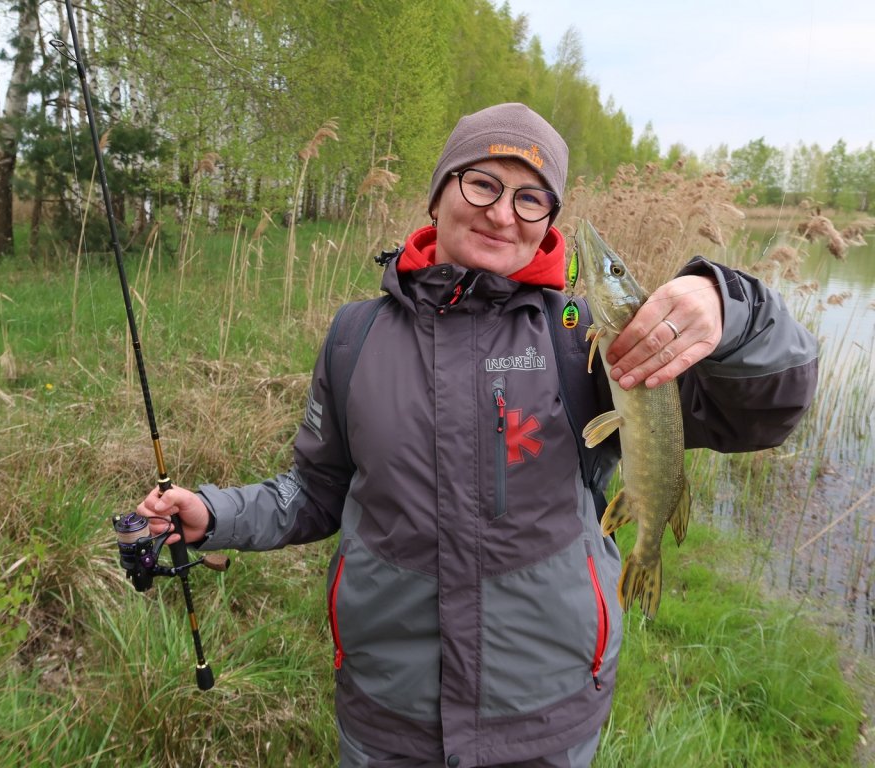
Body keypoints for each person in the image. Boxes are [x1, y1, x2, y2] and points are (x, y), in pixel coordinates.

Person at [136, 103, 818, 768]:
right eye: (483, 183)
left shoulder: (593, 339)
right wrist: (215, 514)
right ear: (440, 194)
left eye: (530, 198)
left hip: (543, 716)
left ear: (547, 221)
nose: (500, 212)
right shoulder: (355, 336)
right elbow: (317, 491)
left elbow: (776, 402)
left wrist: (726, 303)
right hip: (387, 712)